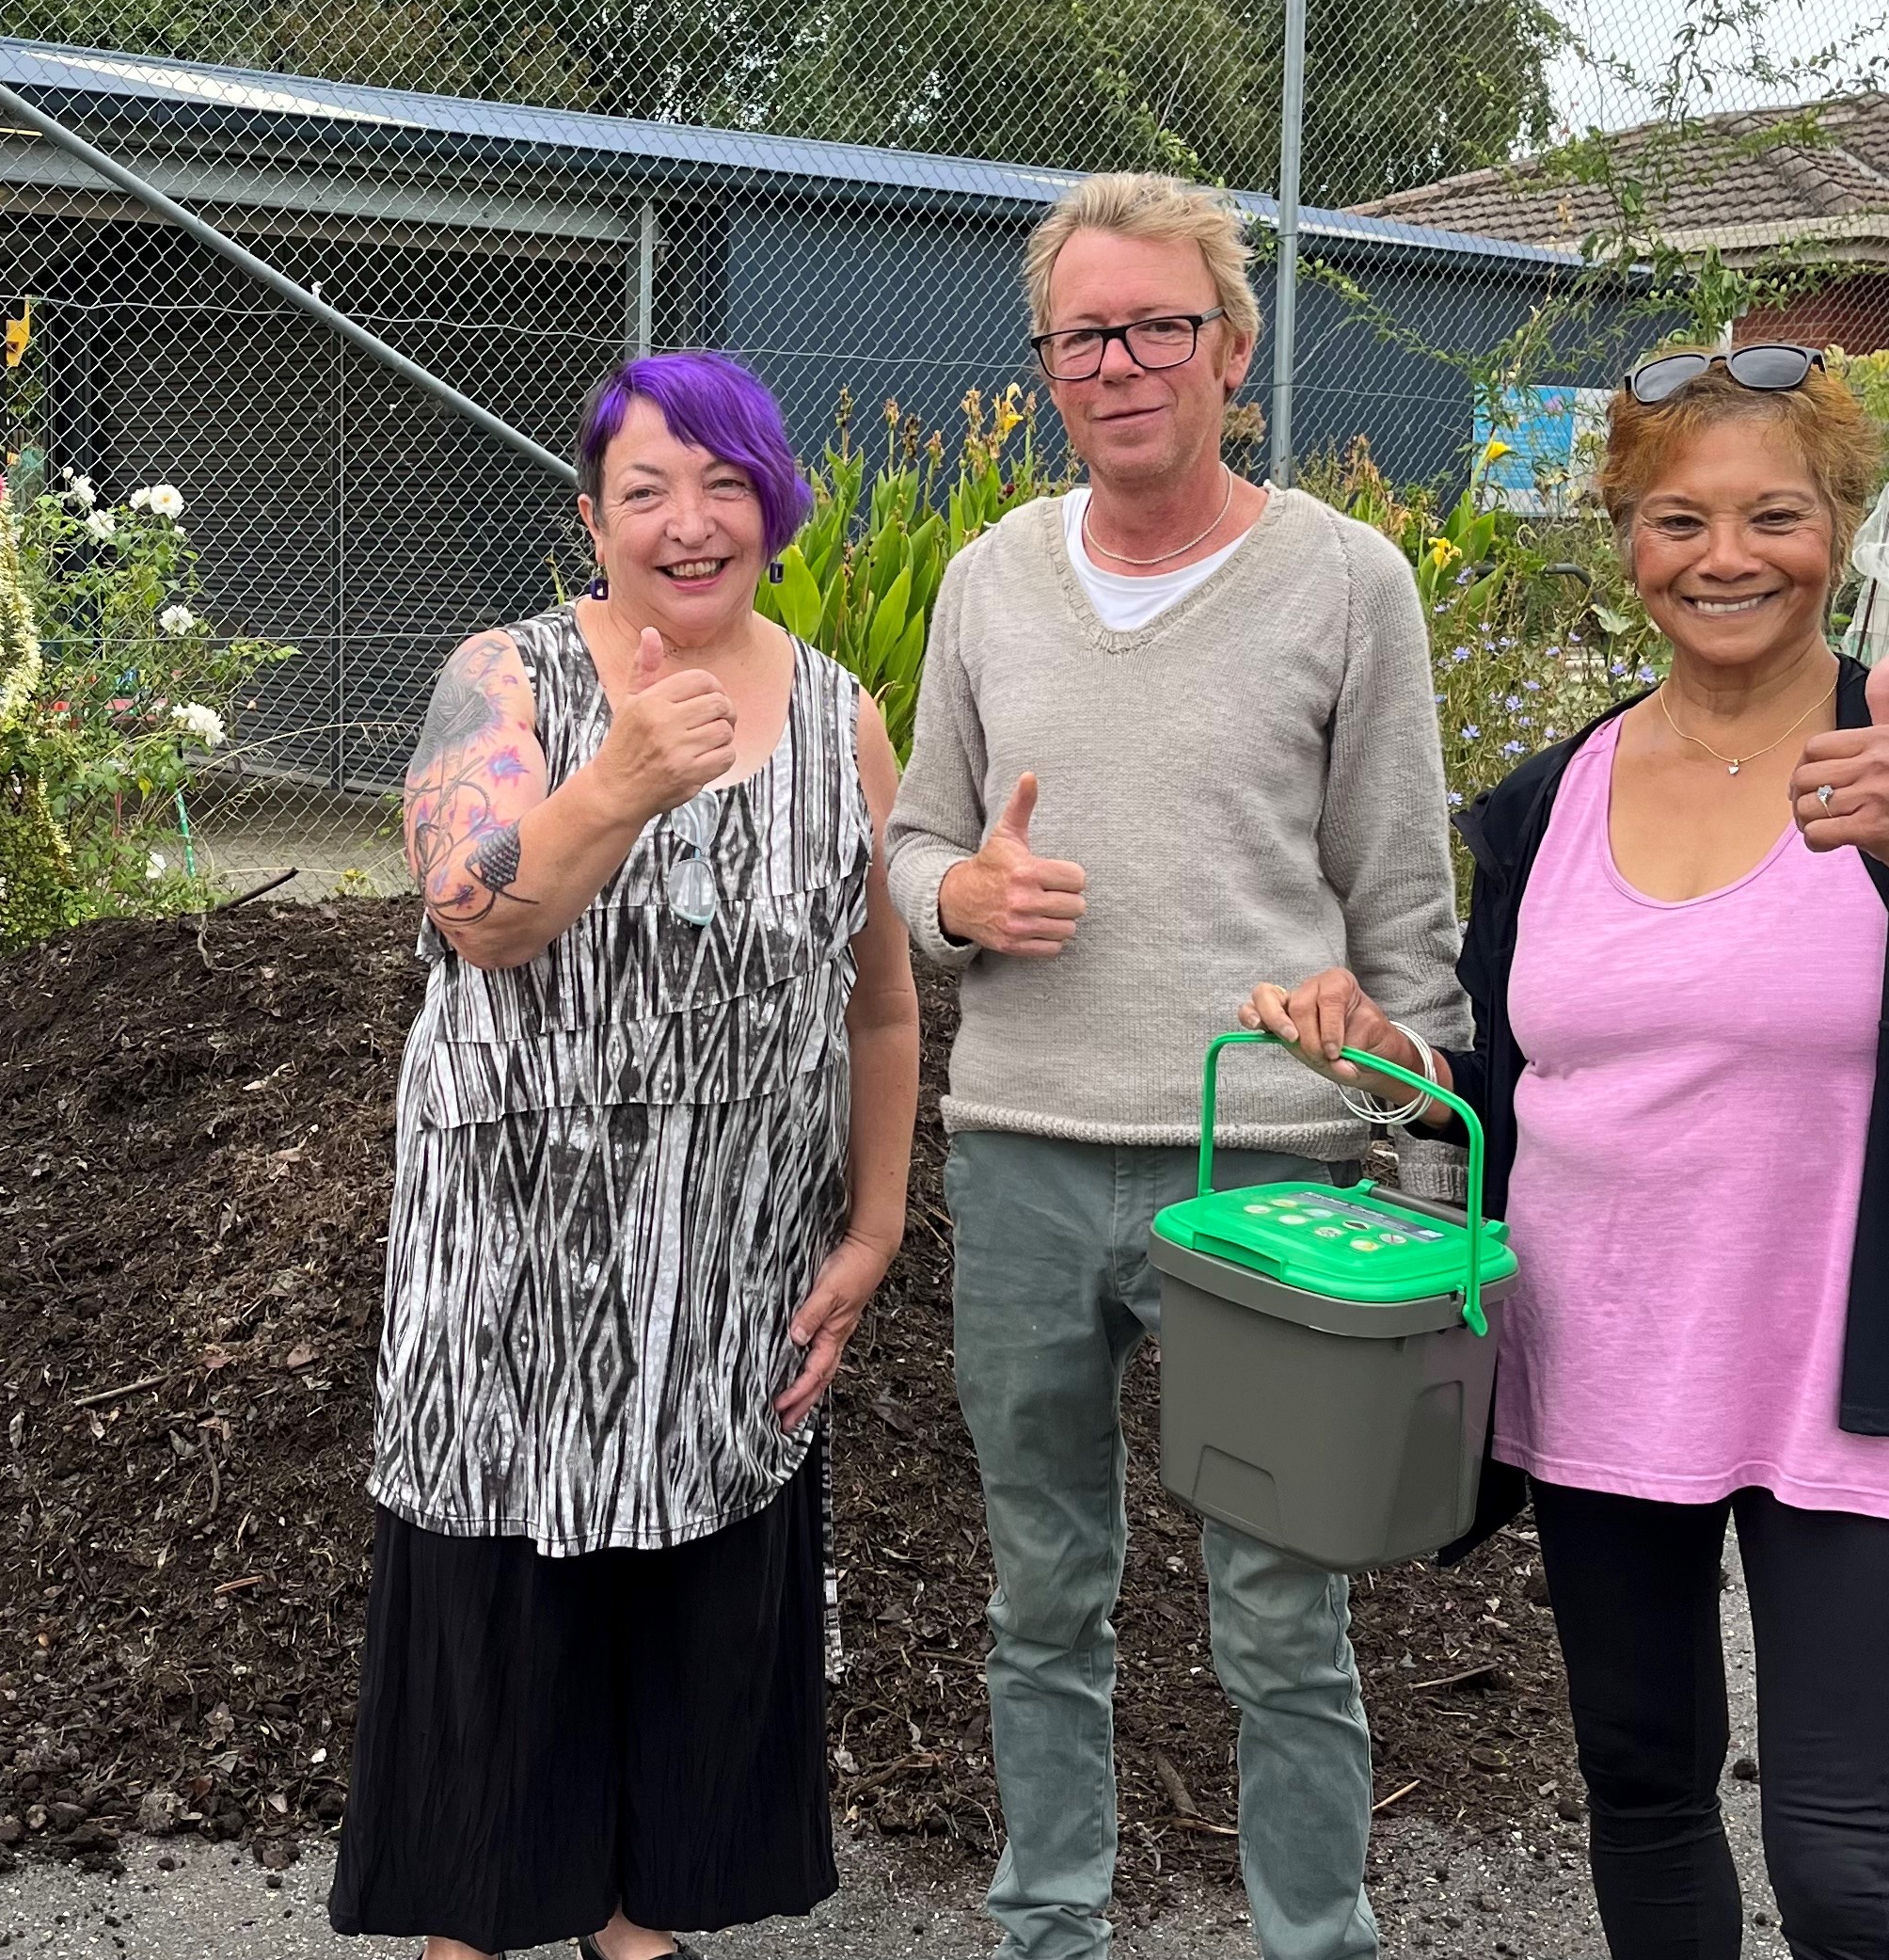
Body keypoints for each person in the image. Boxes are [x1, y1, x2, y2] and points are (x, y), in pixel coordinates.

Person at [1245, 346, 1889, 1960]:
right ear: (1627, 542)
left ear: (1839, 527)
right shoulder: (1548, 798)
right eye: (1677, 519)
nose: (1726, 557)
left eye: (1772, 514)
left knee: (1842, 1857)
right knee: (1642, 1800)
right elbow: (1509, 1096)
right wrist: (1398, 1064)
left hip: (1857, 1380)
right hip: (1602, 1370)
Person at [884, 171, 1467, 1960]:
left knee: (1282, 1612)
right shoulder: (992, 583)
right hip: (1026, 1160)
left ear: (1232, 348)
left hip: (1273, 1180)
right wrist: (965, 899)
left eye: (1156, 327)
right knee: (1042, 1586)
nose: (1119, 362)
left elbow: (1404, 907)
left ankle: (1316, 1936)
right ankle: (1048, 1921)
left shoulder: (1347, 585)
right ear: (1047, 361)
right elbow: (908, 855)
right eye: (1082, 335)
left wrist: (1419, 1154)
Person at [329, 350, 922, 1960]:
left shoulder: (843, 721)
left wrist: (871, 1235)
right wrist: (621, 780)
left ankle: (640, 1930)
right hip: (511, 1271)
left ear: (776, 509)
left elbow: (879, 1008)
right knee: (503, 1626)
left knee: (689, 1638)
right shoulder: (503, 679)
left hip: (728, 1271)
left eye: (726, 482)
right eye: (647, 489)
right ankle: (476, 1927)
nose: (689, 521)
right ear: (589, 519)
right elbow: (481, 914)